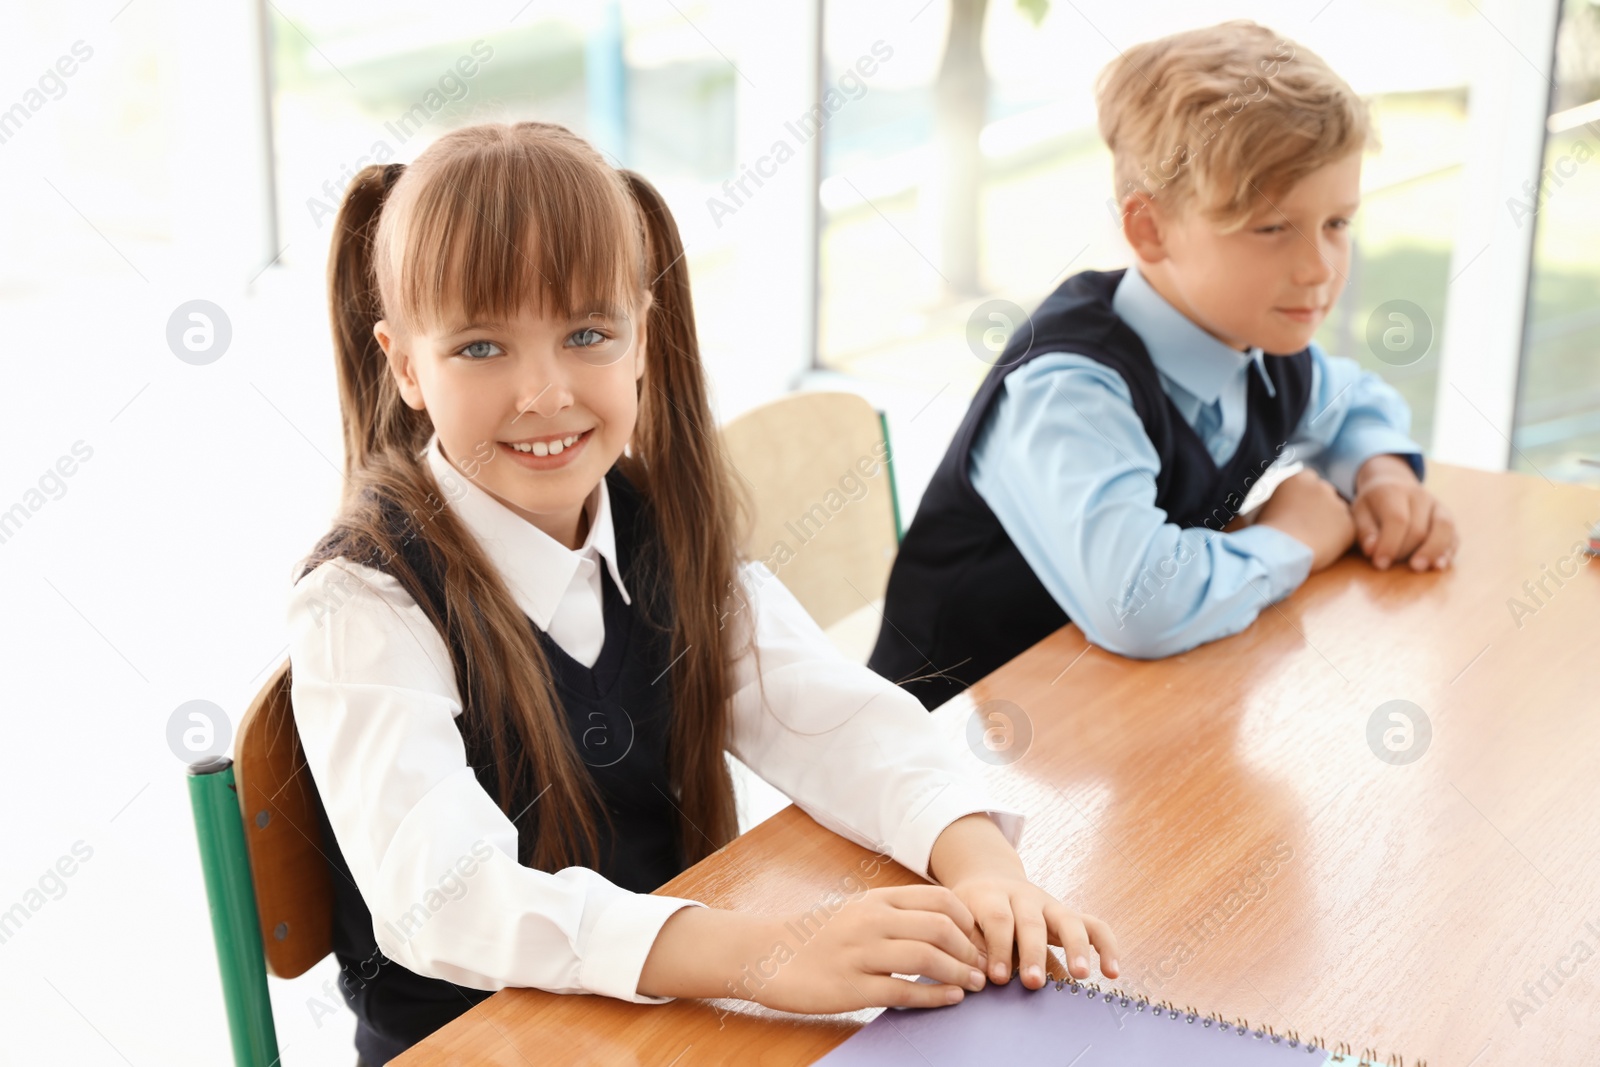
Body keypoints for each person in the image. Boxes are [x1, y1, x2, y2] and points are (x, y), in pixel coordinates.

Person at [285, 122, 1118, 1064]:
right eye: (481, 347)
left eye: (588, 333)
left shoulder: (657, 525)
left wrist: (978, 857)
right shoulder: (363, 600)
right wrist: (763, 954)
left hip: (665, 1022)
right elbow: (446, 895)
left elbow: (828, 714)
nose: (544, 391)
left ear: (642, 335)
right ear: (404, 365)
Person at [869, 21, 1458, 711]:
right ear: (1149, 230)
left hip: (1113, 719)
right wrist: (1294, 537)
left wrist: (1379, 469)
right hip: (951, 752)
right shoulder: (1068, 390)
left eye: (1337, 224)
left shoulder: (1262, 344)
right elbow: (1140, 604)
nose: (1320, 269)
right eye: (1273, 228)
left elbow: (1351, 399)